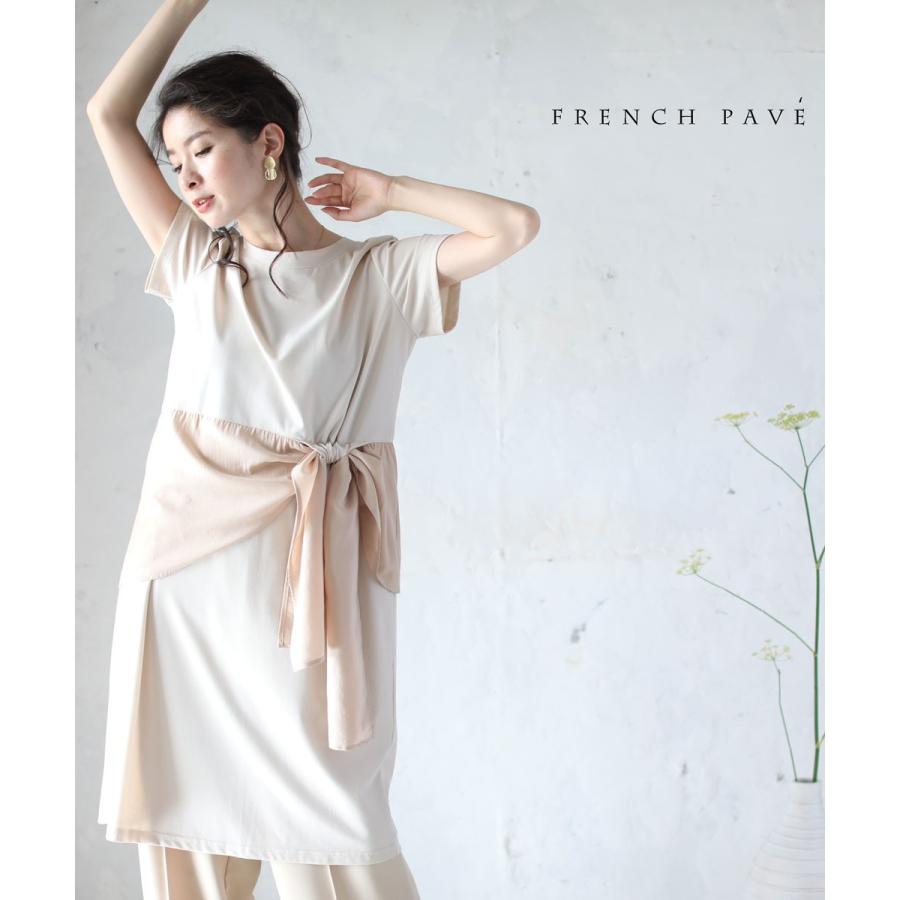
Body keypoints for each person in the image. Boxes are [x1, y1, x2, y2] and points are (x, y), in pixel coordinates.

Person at [85, 1, 540, 897]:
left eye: (201, 149)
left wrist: (391, 192)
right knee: (194, 828)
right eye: (173, 161)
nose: (185, 176)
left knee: (334, 820)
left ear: (268, 142)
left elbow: (513, 228)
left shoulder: (381, 275)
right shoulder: (194, 261)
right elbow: (106, 115)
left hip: (316, 589)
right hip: (187, 581)